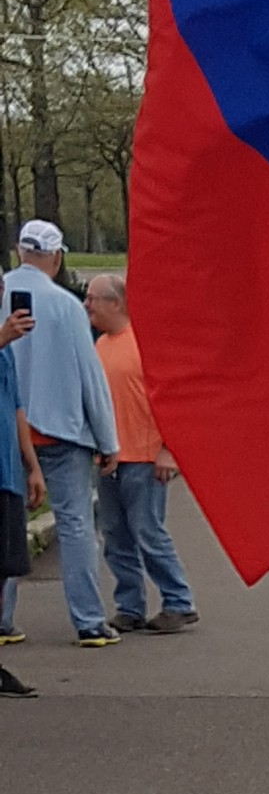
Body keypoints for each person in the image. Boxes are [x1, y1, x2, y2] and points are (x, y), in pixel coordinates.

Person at [2, 221, 119, 645]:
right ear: (56, 257)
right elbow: (92, 380)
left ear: (19, 251)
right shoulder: (67, 306)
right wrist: (108, 441)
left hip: (9, 432)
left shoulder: (1, 296)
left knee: (7, 523)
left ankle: (3, 619)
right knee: (76, 527)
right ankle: (88, 621)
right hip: (62, 431)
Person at [85, 274, 197, 634]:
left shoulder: (145, 346)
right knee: (116, 536)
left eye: (93, 298)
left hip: (145, 457)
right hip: (110, 456)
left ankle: (179, 602)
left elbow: (173, 402)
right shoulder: (100, 345)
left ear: (116, 303)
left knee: (148, 532)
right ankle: (130, 606)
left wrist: (168, 449)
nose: (87, 304)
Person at [0, 298, 48, 695]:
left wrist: (31, 465)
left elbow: (15, 406)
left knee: (4, 568)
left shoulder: (7, 350)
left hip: (6, 473)